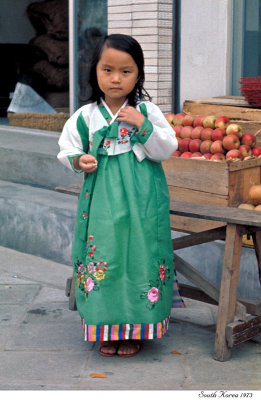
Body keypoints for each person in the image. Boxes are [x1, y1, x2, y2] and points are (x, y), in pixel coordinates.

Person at [57, 33, 183, 357]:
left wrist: (143, 124)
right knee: (106, 256)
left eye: (126, 71)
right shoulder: (86, 116)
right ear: (94, 72)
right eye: (107, 70)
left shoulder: (147, 110)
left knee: (139, 254)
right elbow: (67, 147)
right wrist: (78, 160)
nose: (116, 79)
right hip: (101, 195)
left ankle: (135, 329)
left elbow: (166, 149)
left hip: (142, 195)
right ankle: (106, 327)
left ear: (138, 74)